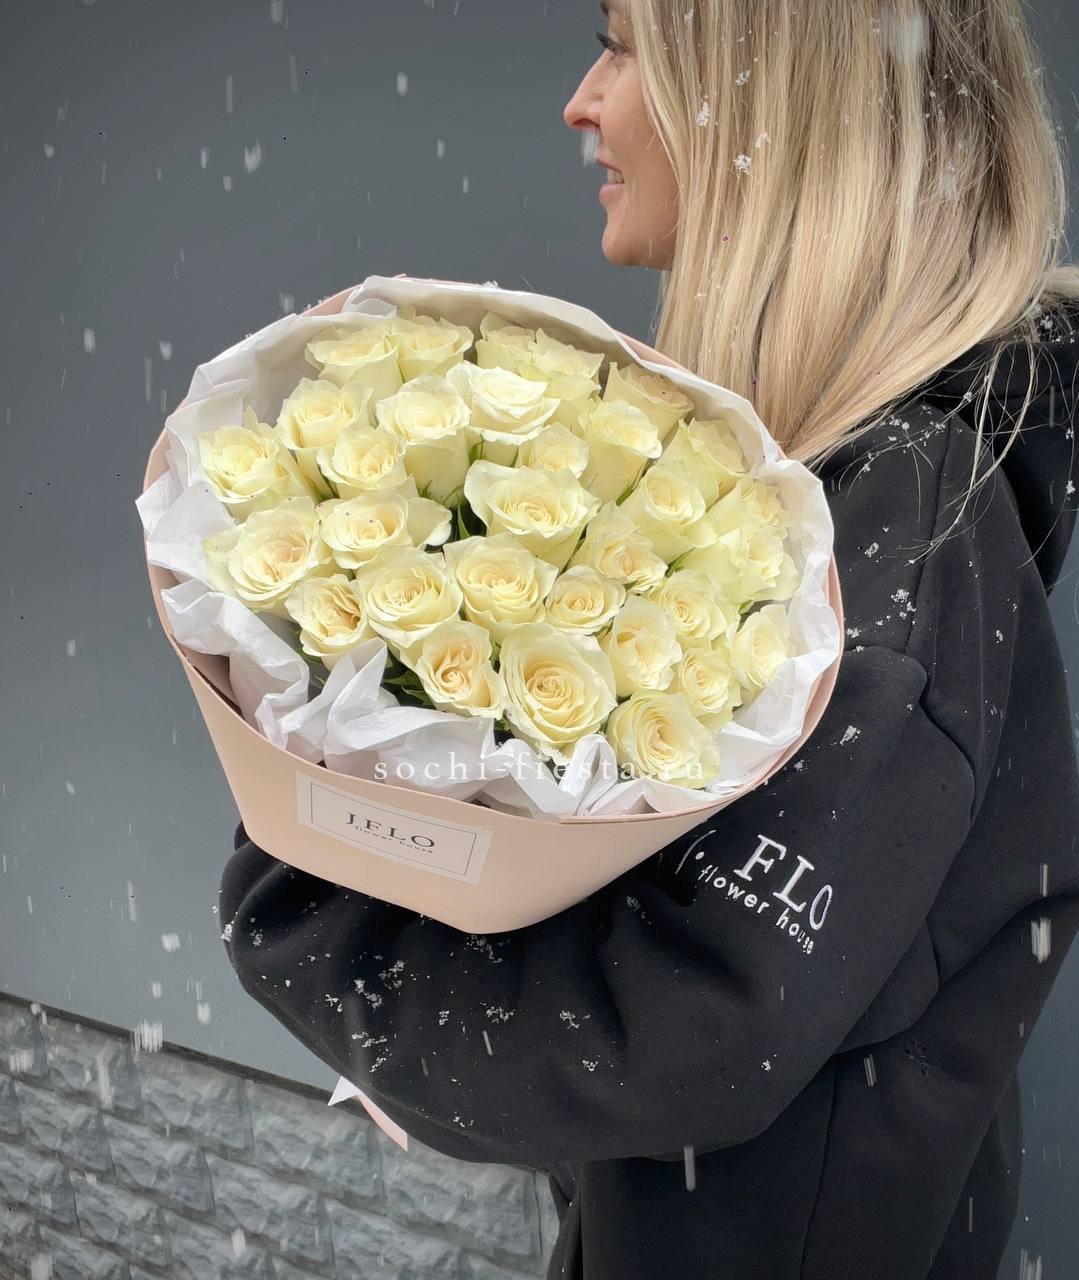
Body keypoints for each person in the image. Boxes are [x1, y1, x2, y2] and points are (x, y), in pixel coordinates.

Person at [219, 1, 1079, 1276]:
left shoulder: (910, 515)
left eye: (625, 47)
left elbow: (675, 1029)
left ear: (771, 105)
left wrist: (308, 890)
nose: (581, 101)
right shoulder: (839, 491)